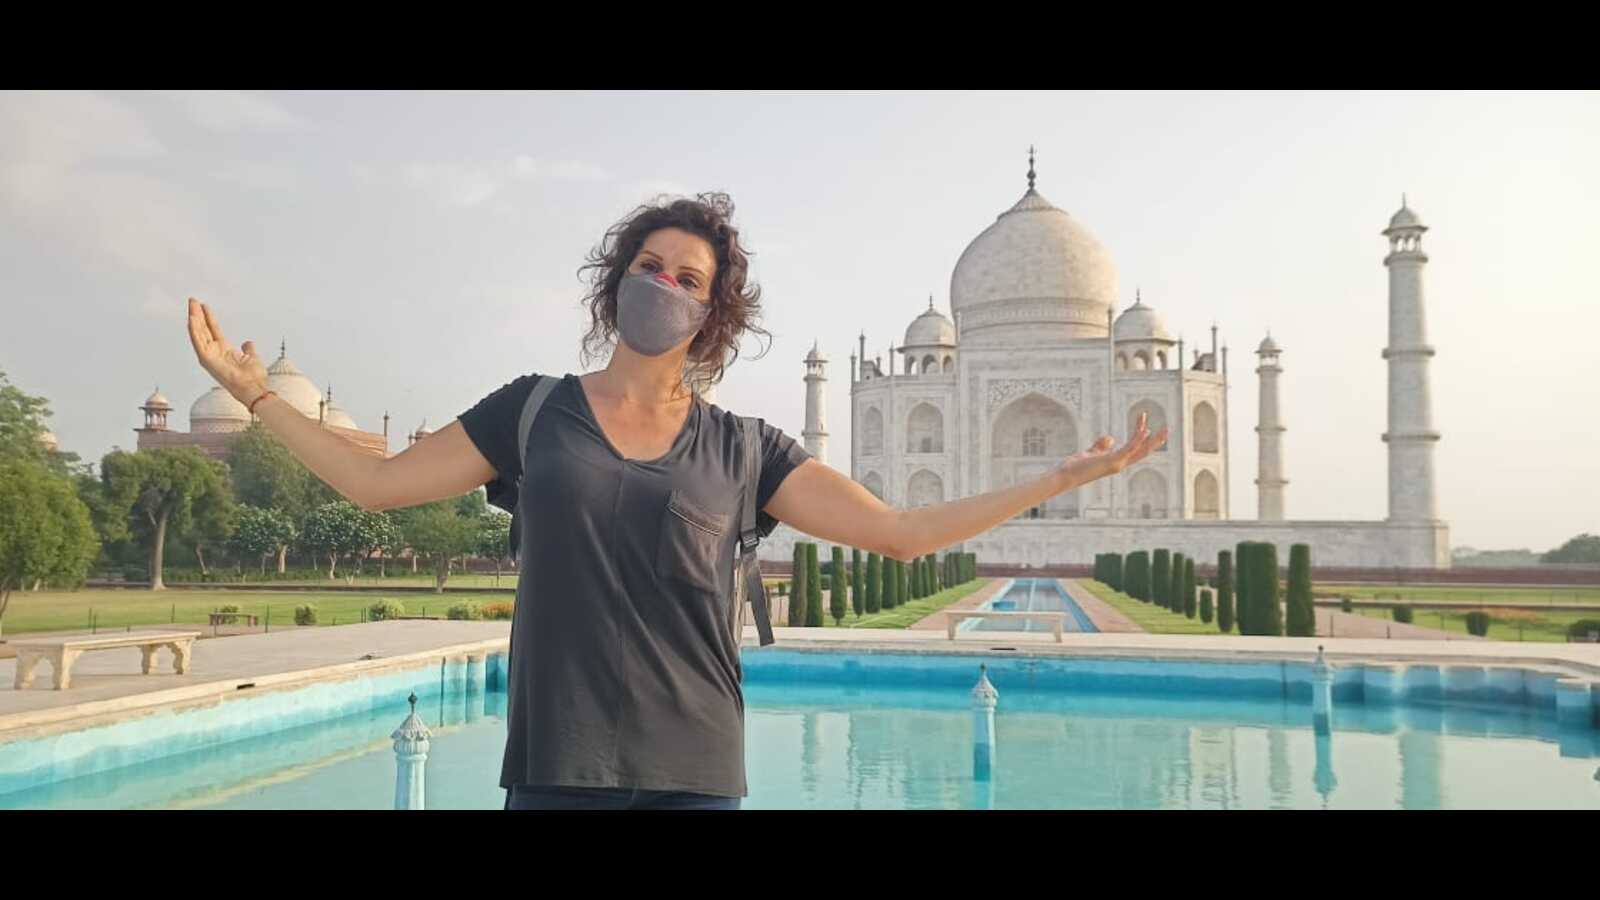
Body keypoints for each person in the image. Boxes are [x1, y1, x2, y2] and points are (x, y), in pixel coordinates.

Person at [186, 191, 1167, 811]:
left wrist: (1057, 479)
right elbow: (373, 482)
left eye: (688, 278)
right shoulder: (531, 414)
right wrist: (257, 394)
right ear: (615, 288)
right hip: (555, 766)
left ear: (714, 311)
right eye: (649, 268)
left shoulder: (745, 447)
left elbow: (901, 534)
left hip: (693, 770)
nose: (665, 285)